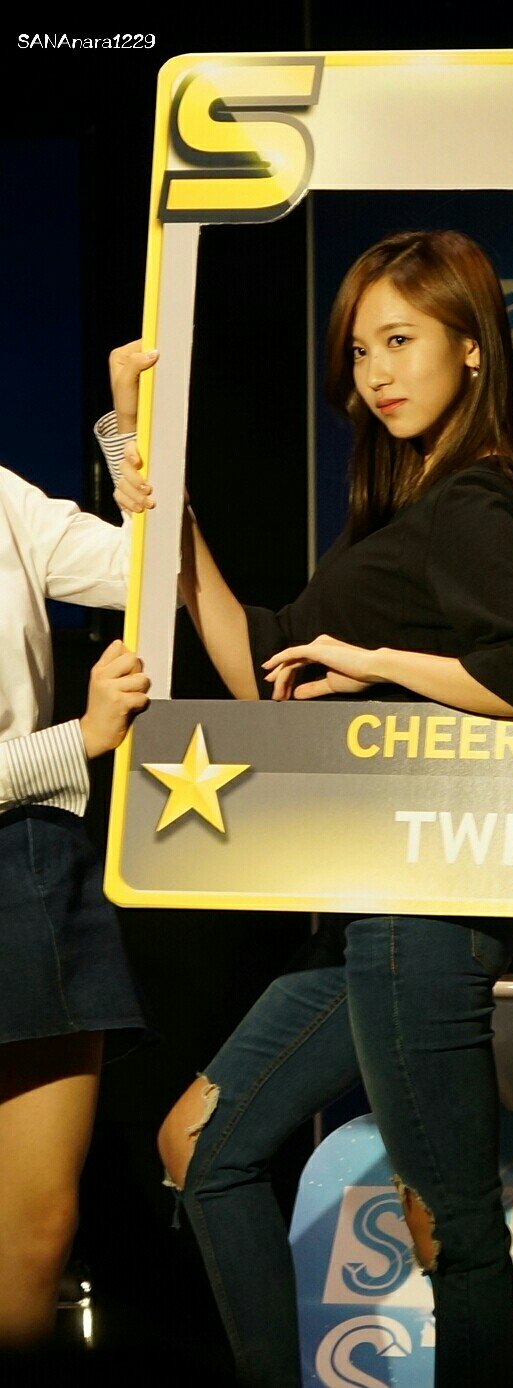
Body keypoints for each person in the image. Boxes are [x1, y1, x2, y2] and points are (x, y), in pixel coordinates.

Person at [111, 227, 513, 1388]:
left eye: (400, 340)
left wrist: (374, 658)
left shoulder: (470, 498)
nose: (376, 372)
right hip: (367, 913)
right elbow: (256, 665)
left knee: (451, 1220)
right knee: (200, 1145)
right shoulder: (396, 511)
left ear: (471, 348)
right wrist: (144, 464)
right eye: (361, 349)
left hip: (426, 909)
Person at [0, 343, 156, 1350]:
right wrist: (79, 739)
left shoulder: (1, 497)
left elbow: (151, 570)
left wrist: (125, 425)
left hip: (29, 863)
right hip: (35, 804)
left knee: (41, 1225)